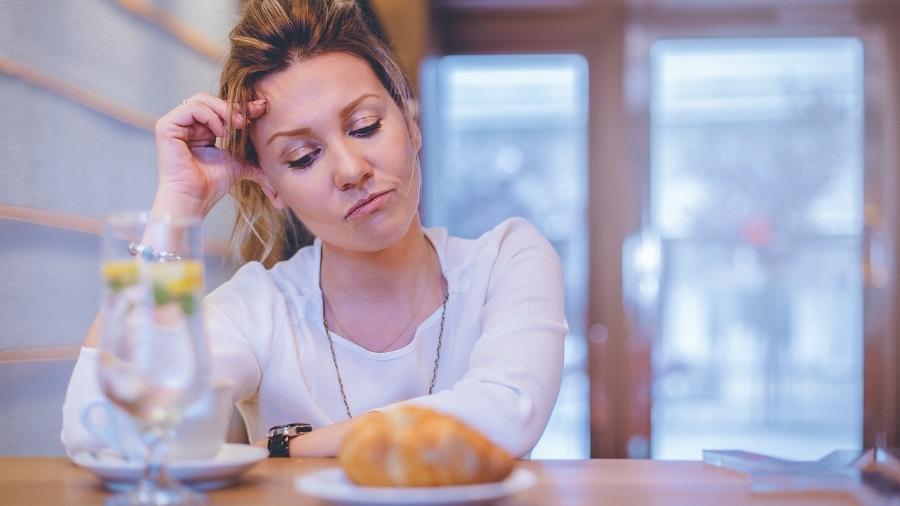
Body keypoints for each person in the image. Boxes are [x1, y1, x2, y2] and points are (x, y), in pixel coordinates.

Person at [61, 0, 567, 459]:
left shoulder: (507, 259)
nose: (351, 169)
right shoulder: (261, 308)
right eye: (303, 157)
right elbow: (105, 432)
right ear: (272, 187)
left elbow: (507, 412)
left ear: (411, 126)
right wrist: (178, 205)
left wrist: (289, 447)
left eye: (365, 126)